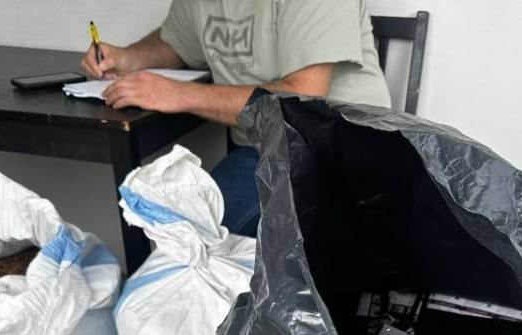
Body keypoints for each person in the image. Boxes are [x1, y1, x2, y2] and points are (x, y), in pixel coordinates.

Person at [81, 1, 391, 237]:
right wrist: (127, 57)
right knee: (184, 229)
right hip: (263, 152)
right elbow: (174, 44)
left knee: (206, 239)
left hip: (339, 152)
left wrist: (181, 94)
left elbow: (301, 99)